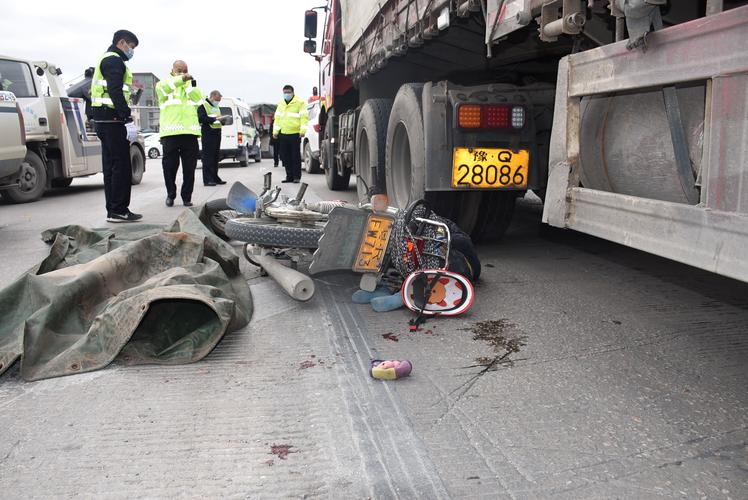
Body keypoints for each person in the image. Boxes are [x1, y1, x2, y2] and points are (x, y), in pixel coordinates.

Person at [91, 29, 142, 223]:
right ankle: (119, 209)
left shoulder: (105, 58)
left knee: (111, 166)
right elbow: (114, 91)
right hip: (112, 119)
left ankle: (113, 210)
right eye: (131, 47)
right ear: (122, 43)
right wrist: (126, 117)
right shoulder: (114, 60)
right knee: (121, 165)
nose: (132, 51)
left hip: (104, 119)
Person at [155, 60, 203, 207]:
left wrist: (188, 84)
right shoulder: (163, 83)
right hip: (170, 133)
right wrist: (181, 80)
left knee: (189, 169)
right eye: (179, 70)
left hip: (190, 133)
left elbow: (199, 99)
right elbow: (164, 89)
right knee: (169, 168)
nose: (183, 72)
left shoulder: (191, 85)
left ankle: (186, 197)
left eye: (185, 70)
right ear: (173, 70)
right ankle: (171, 194)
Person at [273, 85, 308, 183]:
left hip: (295, 134)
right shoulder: (281, 104)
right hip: (283, 133)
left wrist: (302, 131)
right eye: (285, 92)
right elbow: (277, 119)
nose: (286, 94)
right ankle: (289, 176)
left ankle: (296, 177)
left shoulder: (299, 103)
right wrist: (275, 132)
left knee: (295, 156)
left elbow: (304, 118)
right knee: (285, 156)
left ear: (293, 92)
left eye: (288, 92)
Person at [197, 90, 227, 186]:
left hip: (217, 133)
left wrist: (223, 120)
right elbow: (201, 118)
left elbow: (218, 119)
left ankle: (215, 177)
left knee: (215, 157)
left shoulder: (216, 107)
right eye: (217, 99)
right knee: (208, 158)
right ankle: (208, 179)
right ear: (213, 96)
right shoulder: (203, 106)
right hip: (208, 134)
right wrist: (214, 119)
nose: (218, 101)